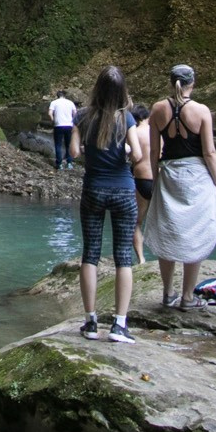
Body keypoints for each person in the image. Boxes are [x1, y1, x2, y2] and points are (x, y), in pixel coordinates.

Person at [145, 65, 216, 307]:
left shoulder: (157, 109)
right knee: (196, 233)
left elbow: (154, 151)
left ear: (171, 83)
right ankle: (188, 297)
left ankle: (168, 293)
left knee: (167, 232)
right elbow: (209, 152)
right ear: (193, 83)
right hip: (196, 178)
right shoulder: (201, 111)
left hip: (169, 175)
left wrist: (155, 179)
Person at [71, 65, 147, 344]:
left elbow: (73, 152)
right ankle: (119, 325)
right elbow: (137, 155)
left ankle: (90, 322)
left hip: (93, 189)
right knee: (123, 256)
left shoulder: (82, 116)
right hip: (123, 191)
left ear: (97, 89)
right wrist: (123, 151)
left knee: (90, 254)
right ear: (122, 92)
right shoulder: (126, 118)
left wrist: (89, 149)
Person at [129, 103, 154, 262]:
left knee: (136, 222)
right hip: (159, 179)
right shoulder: (157, 132)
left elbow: (133, 156)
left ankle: (141, 259)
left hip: (141, 178)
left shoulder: (134, 133)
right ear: (146, 116)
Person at [48, 90, 77, 170]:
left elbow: (50, 113)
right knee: (68, 144)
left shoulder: (54, 102)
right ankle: (69, 163)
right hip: (69, 125)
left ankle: (59, 164)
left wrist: (53, 120)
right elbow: (75, 113)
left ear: (57, 96)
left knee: (58, 144)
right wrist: (73, 121)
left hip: (58, 125)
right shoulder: (70, 102)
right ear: (64, 95)